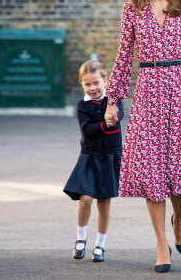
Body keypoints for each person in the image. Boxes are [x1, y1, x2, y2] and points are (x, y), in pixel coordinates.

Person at [103, 0, 181, 273]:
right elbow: (123, 57)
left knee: (177, 170)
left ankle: (179, 224)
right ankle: (161, 245)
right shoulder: (132, 8)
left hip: (178, 90)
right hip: (147, 91)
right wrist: (112, 100)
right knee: (152, 174)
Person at [63, 60, 124, 263]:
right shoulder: (82, 105)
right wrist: (104, 124)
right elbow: (87, 130)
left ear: (105, 81)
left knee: (104, 201)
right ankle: (80, 239)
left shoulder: (113, 100)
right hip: (89, 156)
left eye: (96, 83)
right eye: (87, 84)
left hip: (110, 156)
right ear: (82, 85)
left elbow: (118, 116)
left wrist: (112, 115)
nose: (93, 88)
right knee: (86, 198)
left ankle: (100, 244)